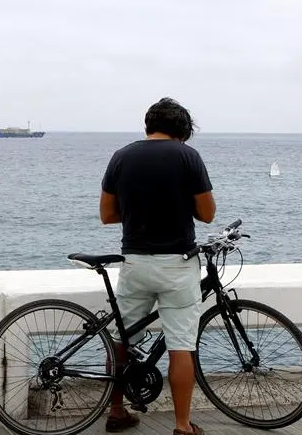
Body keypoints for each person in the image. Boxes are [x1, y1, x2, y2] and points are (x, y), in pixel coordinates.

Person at [99, 97, 215, 435]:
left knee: (122, 338)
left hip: (134, 262)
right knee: (181, 345)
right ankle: (181, 426)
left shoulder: (122, 156)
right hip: (177, 266)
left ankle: (117, 411)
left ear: (149, 125)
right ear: (182, 131)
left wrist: (139, 213)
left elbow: (107, 215)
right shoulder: (188, 156)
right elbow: (207, 214)